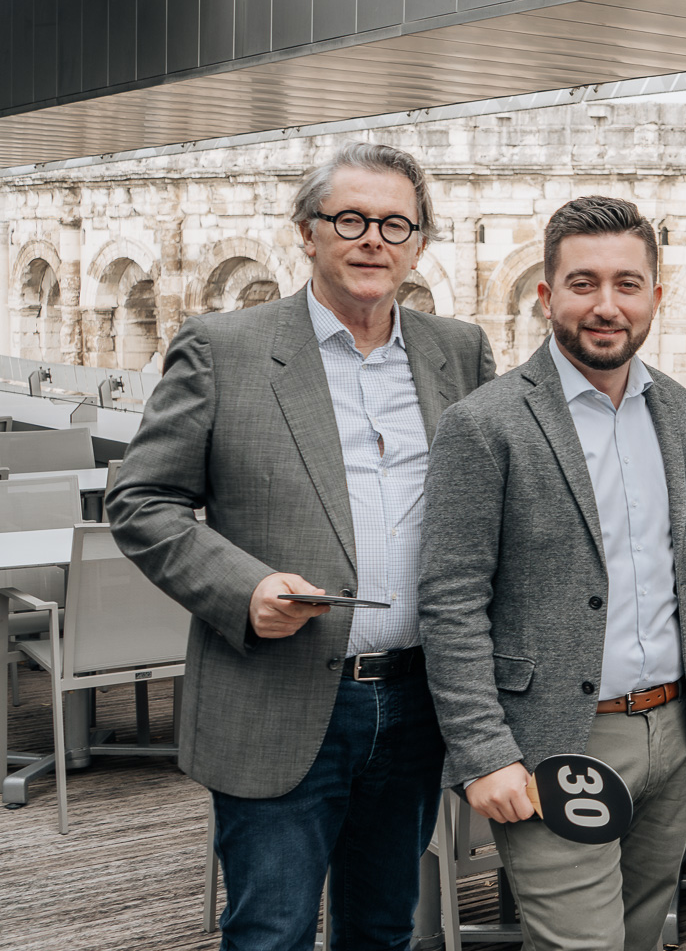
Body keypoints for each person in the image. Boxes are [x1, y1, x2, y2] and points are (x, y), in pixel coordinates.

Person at [105, 143, 497, 950]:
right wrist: (241, 590)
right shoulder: (222, 347)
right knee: (269, 932)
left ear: (419, 243)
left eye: (396, 224)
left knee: (384, 928)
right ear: (306, 232)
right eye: (349, 219)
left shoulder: (459, 351)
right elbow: (142, 500)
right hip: (276, 697)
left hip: (416, 701)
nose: (372, 240)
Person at [417, 196, 686, 951]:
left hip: (671, 734)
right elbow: (451, 601)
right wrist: (486, 755)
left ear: (655, 294)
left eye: (627, 283)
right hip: (557, 741)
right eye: (583, 284)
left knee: (645, 935)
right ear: (546, 296)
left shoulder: (675, 410)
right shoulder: (485, 424)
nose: (606, 305)